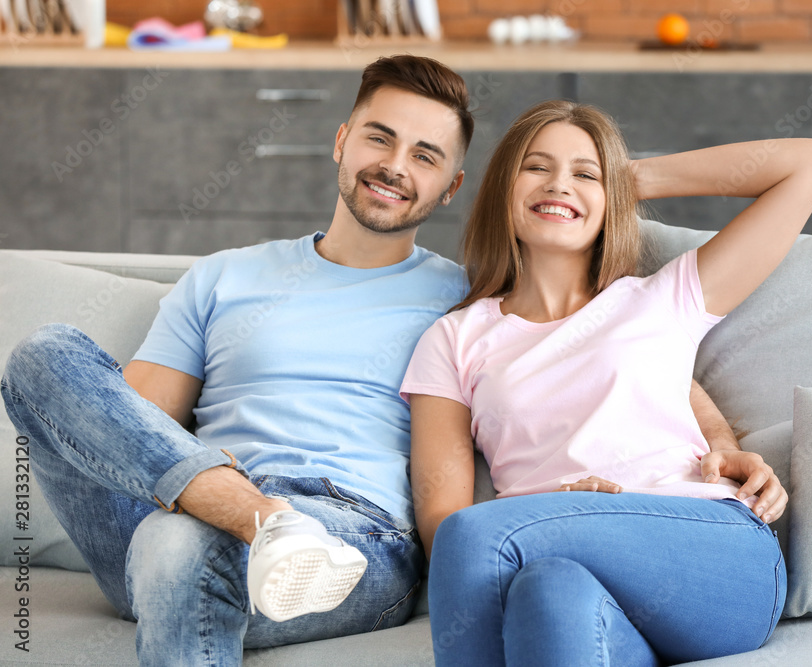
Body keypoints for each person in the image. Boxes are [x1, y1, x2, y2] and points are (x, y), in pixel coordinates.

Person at [1, 55, 475, 664]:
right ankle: (260, 518)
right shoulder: (226, 275)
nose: (394, 165)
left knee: (178, 544)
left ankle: (264, 526)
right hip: (174, 517)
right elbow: (133, 422)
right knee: (43, 355)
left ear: (450, 186)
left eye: (424, 155)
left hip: (349, 538)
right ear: (341, 141)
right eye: (379, 138)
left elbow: (590, 260)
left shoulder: (465, 299)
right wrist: (231, 502)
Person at [401, 100, 812, 665]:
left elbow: (810, 162)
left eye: (585, 174)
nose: (559, 184)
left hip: (708, 550)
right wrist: (555, 510)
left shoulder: (665, 298)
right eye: (537, 167)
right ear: (503, 184)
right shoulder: (454, 338)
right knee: (546, 594)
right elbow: (444, 528)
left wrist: (631, 177)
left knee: (479, 540)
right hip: (557, 562)